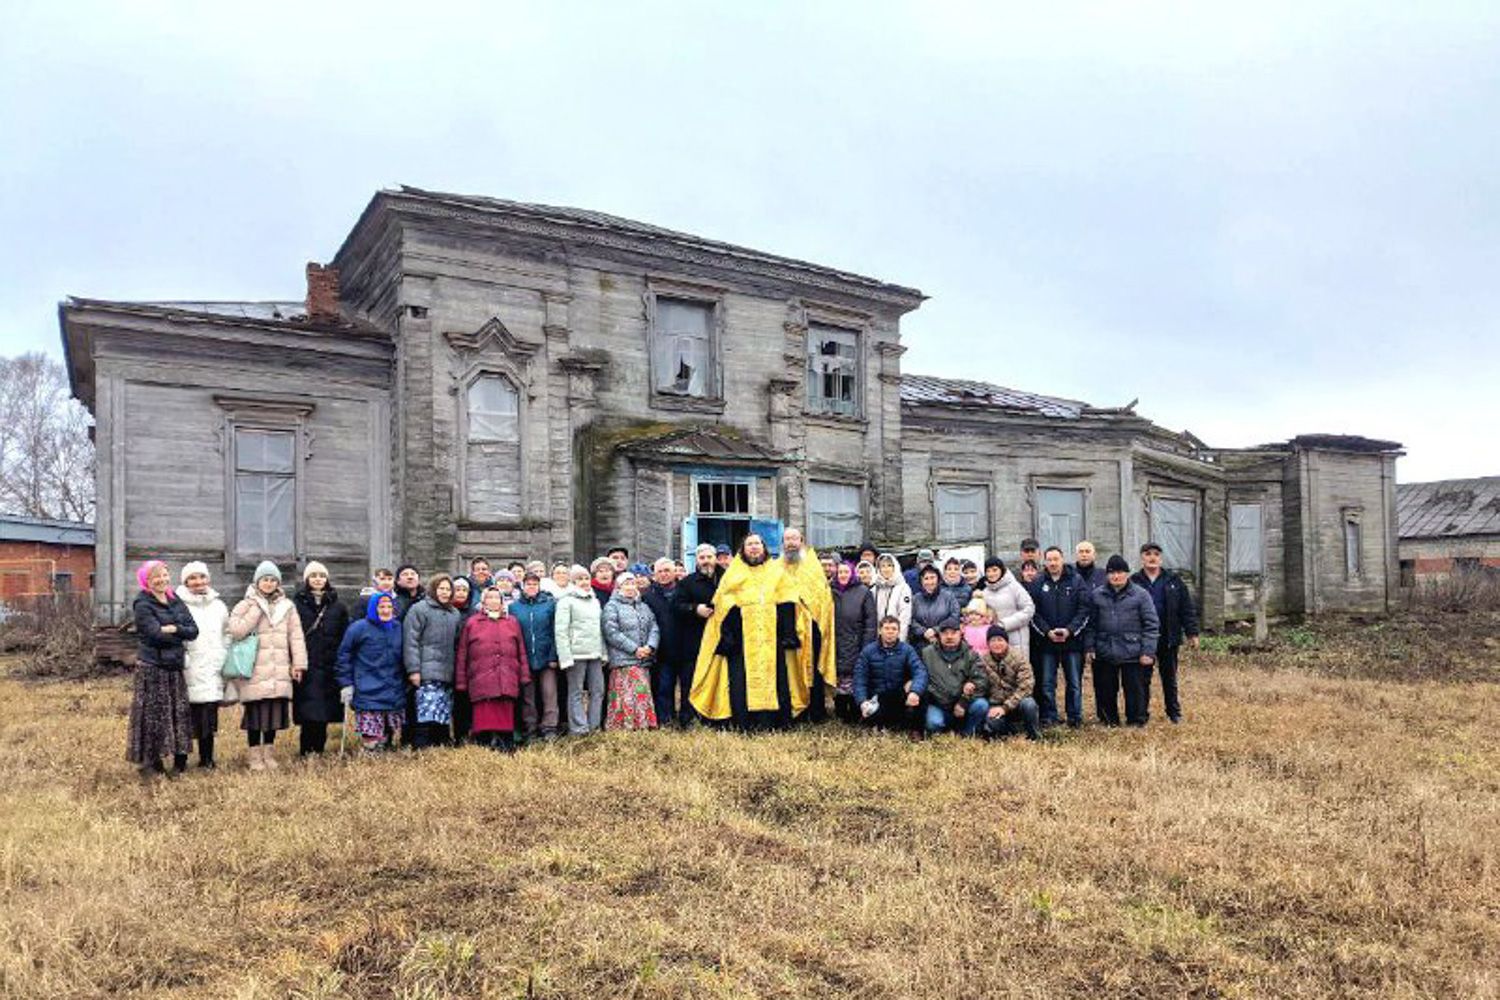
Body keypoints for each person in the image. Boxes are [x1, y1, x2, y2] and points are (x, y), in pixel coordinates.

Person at [690, 534, 803, 730]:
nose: (753, 548)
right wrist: (728, 635)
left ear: (764, 548)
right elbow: (723, 604)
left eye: (757, 544)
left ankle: (774, 723)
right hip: (741, 638)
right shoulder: (732, 574)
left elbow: (787, 600)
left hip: (771, 637)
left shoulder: (776, 571)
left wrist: (788, 634)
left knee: (776, 678)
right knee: (741, 682)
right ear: (743, 550)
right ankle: (744, 723)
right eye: (749, 544)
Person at [228, 562, 307, 772]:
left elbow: (296, 636)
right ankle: (254, 755)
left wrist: (298, 664)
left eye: (273, 580)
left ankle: (269, 753)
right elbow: (235, 631)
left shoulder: (287, 606)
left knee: (274, 714)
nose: (269, 583)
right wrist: (256, 609)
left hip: (279, 667)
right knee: (256, 714)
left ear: (278, 583)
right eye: (265, 579)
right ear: (257, 582)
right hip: (255, 668)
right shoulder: (245, 604)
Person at [127, 560, 197, 778]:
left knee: (178, 713)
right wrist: (176, 633)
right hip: (152, 667)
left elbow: (193, 630)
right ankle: (151, 763)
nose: (161, 580)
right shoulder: (143, 603)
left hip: (174, 666)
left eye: (164, 575)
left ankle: (180, 761)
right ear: (146, 580)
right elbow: (154, 634)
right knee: (152, 715)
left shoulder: (175, 600)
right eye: (155, 576)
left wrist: (174, 628)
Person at [1085, 555, 1160, 726]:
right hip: (1105, 650)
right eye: (1111, 573)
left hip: (1133, 652)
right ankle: (1108, 721)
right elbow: (1090, 625)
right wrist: (1089, 647)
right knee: (1105, 690)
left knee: (1135, 690)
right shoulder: (1097, 595)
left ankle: (1136, 721)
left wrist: (1148, 651)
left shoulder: (1141, 595)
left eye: (1119, 572)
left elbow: (1151, 625)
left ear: (1127, 574)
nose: (1115, 577)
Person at [1131, 542, 1201, 724]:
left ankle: (1174, 713)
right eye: (1148, 554)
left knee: (1169, 678)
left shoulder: (1173, 581)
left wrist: (1192, 633)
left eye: (1155, 554)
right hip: (1144, 639)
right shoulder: (1134, 582)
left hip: (1168, 637)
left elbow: (1186, 608)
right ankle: (1141, 715)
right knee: (1142, 679)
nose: (1152, 557)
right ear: (1142, 558)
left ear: (1161, 558)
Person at [455, 586, 530, 751]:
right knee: (484, 716)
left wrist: (524, 675)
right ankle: (483, 745)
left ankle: (506, 745)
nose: (494, 601)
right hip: (481, 679)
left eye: (497, 598)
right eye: (490, 597)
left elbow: (521, 651)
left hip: (507, 677)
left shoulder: (512, 622)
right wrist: (461, 681)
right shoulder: (472, 623)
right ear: (483, 601)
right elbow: (462, 654)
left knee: (505, 715)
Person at [778, 528, 838, 724]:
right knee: (790, 670)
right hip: (786, 628)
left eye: (795, 538)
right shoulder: (776, 566)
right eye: (787, 539)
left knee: (814, 669)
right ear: (783, 542)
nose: (791, 543)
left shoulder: (812, 565)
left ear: (801, 541)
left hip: (813, 626)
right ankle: (796, 710)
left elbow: (822, 595)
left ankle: (816, 712)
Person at [1029, 546, 1091, 728]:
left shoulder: (1076, 580)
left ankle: (1074, 717)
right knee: (1047, 683)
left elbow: (1084, 610)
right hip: (1047, 644)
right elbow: (1033, 612)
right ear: (1044, 561)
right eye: (1049, 560)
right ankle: (1049, 716)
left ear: (1063, 560)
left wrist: (1070, 630)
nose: (1053, 563)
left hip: (1072, 643)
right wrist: (1047, 631)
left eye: (1056, 559)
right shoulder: (1038, 582)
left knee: (1073, 683)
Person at [292, 561, 351, 757]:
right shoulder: (297, 604)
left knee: (324, 712)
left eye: (321, 576)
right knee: (308, 711)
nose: (318, 579)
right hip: (307, 665)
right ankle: (305, 751)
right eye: (314, 576)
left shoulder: (338, 606)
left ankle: (318, 750)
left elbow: (345, 636)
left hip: (329, 666)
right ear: (307, 579)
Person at [337, 592, 406, 752]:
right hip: (367, 689)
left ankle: (385, 760)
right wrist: (346, 683)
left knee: (388, 735)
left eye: (389, 607)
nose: (386, 610)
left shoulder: (398, 628)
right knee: (371, 738)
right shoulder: (358, 628)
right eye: (381, 607)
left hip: (393, 689)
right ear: (373, 608)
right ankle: (370, 758)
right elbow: (344, 656)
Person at [177, 561, 229, 769]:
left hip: (212, 667)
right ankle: (181, 761)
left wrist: (223, 654)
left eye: (202, 577)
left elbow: (227, 632)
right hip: (188, 666)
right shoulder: (178, 605)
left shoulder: (219, 606)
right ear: (186, 581)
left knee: (208, 715)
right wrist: (184, 659)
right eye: (193, 578)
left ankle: (207, 759)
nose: (198, 582)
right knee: (184, 716)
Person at [402, 573, 462, 748]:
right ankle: (421, 746)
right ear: (434, 590)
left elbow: (457, 644)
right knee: (426, 710)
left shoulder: (454, 614)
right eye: (441, 588)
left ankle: (440, 746)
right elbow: (410, 641)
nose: (444, 592)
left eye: (448, 589)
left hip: (446, 673)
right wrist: (413, 670)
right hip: (425, 671)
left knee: (442, 711)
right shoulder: (419, 609)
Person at [671, 543, 721, 727]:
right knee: (690, 680)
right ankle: (688, 718)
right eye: (702, 558)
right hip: (694, 640)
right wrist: (695, 608)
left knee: (715, 680)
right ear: (696, 560)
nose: (706, 561)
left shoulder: (726, 578)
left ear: (715, 558)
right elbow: (676, 606)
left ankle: (713, 718)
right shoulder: (687, 582)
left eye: (709, 557)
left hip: (720, 640)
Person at [601, 572, 659, 730]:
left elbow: (654, 627)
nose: (630, 587)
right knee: (625, 694)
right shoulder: (612, 606)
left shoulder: (643, 606)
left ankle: (642, 724)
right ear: (618, 587)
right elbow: (611, 632)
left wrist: (650, 647)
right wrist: (634, 649)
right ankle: (623, 725)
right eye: (626, 584)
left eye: (632, 584)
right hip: (623, 660)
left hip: (643, 659)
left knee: (641, 692)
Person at [852, 616, 926, 734]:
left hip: (898, 696)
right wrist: (862, 701)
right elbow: (859, 679)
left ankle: (915, 730)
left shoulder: (907, 650)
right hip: (876, 697)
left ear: (898, 632)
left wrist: (915, 691)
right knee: (872, 713)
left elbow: (920, 671)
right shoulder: (868, 651)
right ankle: (878, 723)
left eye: (894, 629)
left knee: (922, 694)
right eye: (886, 628)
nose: (890, 632)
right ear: (880, 631)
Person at [555, 564, 607, 734]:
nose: (584, 582)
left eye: (586, 578)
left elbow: (600, 629)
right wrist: (565, 657)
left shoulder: (595, 601)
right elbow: (561, 631)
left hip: (595, 653)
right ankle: (578, 728)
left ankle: (594, 725)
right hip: (576, 654)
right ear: (573, 581)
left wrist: (603, 652)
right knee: (576, 692)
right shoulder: (566, 601)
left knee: (597, 690)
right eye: (580, 579)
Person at [510, 572, 560, 740]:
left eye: (535, 584)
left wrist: (553, 655)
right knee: (528, 697)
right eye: (528, 584)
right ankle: (530, 728)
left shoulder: (549, 605)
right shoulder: (514, 607)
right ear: (523, 586)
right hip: (524, 659)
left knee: (549, 694)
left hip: (546, 658)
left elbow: (555, 631)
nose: (531, 587)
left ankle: (549, 727)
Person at [921, 619, 990, 736]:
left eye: (953, 633)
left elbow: (981, 681)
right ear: (939, 635)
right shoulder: (927, 653)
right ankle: (946, 731)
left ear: (960, 634)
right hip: (938, 704)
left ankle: (967, 733)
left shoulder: (971, 654)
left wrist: (963, 702)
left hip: (963, 706)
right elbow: (919, 676)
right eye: (945, 633)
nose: (949, 637)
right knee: (933, 723)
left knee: (981, 705)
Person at [642, 558, 686, 728]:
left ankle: (686, 720)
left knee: (687, 687)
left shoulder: (684, 591)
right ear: (654, 575)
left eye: (667, 570)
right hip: (662, 650)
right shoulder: (648, 596)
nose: (664, 574)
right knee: (664, 687)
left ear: (675, 572)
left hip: (684, 647)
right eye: (660, 571)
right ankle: (665, 720)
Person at [831, 559, 877, 723]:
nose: (843, 575)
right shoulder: (830, 590)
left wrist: (866, 645)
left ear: (852, 574)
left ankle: (856, 710)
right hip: (835, 641)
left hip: (855, 641)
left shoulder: (863, 592)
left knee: (855, 677)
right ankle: (841, 710)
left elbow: (870, 622)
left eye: (846, 572)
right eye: (840, 572)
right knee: (839, 677)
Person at [978, 628, 1041, 740]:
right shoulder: (983, 661)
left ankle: (1034, 735)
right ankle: (1011, 731)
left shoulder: (1019, 658)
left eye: (1000, 640)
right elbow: (980, 685)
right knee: (991, 724)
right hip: (995, 705)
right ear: (988, 643)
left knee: (1029, 704)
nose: (997, 644)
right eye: (993, 640)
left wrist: (1006, 707)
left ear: (1006, 641)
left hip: (1017, 703)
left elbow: (1026, 687)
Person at [449, 575, 479, 745]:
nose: (461, 593)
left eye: (464, 590)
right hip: (447, 660)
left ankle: (465, 735)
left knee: (465, 700)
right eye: (457, 589)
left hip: (468, 662)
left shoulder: (473, 613)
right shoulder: (445, 610)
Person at [909, 564, 960, 652]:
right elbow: (910, 618)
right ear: (921, 581)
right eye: (926, 578)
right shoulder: (915, 599)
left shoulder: (948, 596)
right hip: (920, 643)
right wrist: (923, 632)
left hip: (944, 641)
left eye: (932, 577)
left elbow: (954, 616)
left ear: (938, 579)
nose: (929, 582)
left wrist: (935, 630)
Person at [872, 554, 913, 637]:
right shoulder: (874, 589)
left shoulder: (903, 587)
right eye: (883, 566)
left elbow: (905, 617)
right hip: (877, 638)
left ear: (895, 567)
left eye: (889, 566)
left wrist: (900, 639)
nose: (886, 569)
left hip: (895, 637)